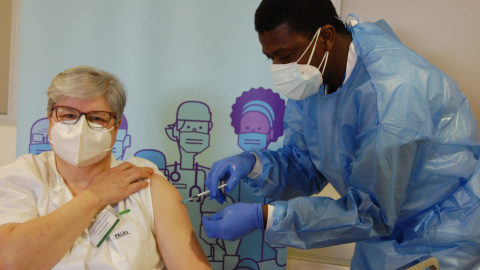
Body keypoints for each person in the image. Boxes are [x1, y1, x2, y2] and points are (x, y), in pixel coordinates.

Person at [201, 0, 480, 269]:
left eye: (285, 56)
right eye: (270, 57)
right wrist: (254, 164)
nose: (278, 68)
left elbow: (373, 212)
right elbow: (305, 164)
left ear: (326, 37)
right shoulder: (313, 76)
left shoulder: (393, 94)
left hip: (441, 238)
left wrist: (264, 217)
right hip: (381, 239)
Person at [0, 66, 211, 269]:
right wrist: (95, 196)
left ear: (116, 126)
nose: (80, 128)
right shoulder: (22, 177)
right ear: (50, 118)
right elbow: (9, 262)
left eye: (96, 118)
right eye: (68, 115)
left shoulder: (146, 183)